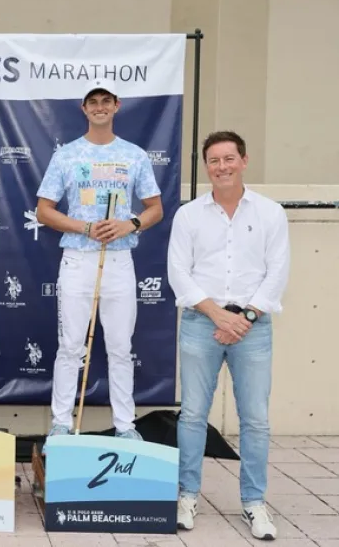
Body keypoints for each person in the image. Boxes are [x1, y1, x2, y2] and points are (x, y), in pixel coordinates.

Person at [168, 130, 290, 540]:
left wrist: (245, 318)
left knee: (255, 420)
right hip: (201, 323)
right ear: (206, 167)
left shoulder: (270, 212)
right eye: (214, 161)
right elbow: (178, 272)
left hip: (252, 328)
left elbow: (277, 272)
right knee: (192, 415)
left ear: (244, 160)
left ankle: (254, 503)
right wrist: (218, 315)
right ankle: (187, 496)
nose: (222, 167)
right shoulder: (188, 215)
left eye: (228, 158)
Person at [36, 78, 163, 440]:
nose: (100, 107)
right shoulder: (66, 155)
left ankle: (125, 426)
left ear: (116, 106)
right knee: (70, 346)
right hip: (78, 259)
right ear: (84, 108)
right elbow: (44, 210)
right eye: (93, 101)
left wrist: (130, 224)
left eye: (106, 100)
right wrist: (84, 228)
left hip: (119, 260)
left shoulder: (134, 155)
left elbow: (155, 208)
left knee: (121, 348)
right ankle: (61, 424)